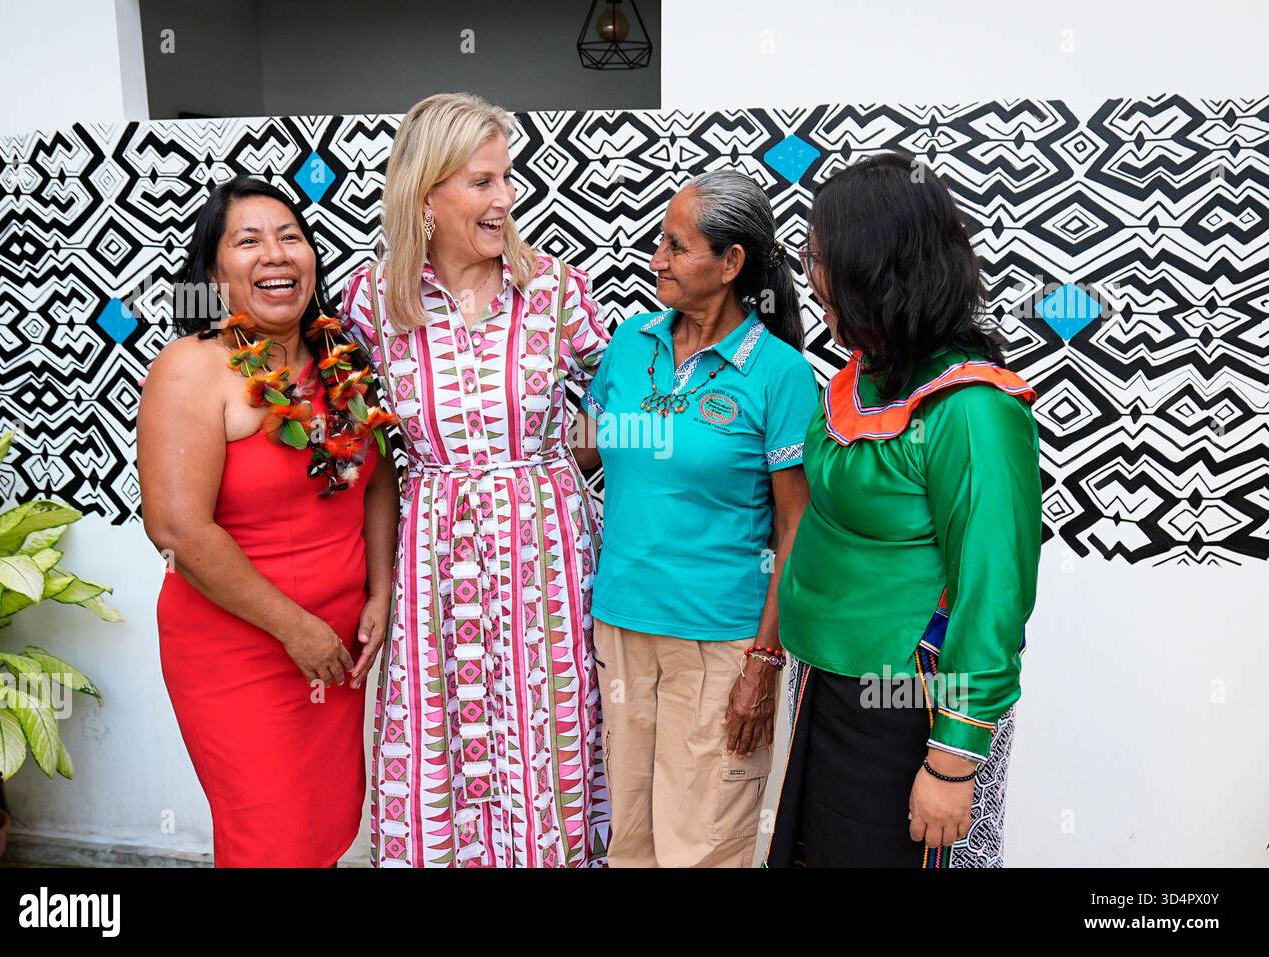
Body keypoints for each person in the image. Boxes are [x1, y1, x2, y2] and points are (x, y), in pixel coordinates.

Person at [338, 92, 611, 867]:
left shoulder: (555, 290)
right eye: (482, 182)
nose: (505, 199)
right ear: (426, 194)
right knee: (443, 742)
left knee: (546, 736)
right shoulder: (372, 300)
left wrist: (548, 469)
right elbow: (362, 450)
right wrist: (377, 583)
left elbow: (622, 411)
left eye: (507, 178)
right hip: (433, 564)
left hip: (546, 565)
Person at [767, 152, 1041, 868]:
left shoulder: (973, 410)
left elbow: (992, 596)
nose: (810, 273)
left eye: (822, 257)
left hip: (905, 706)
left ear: (874, 266)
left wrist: (953, 761)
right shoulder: (866, 378)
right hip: (827, 685)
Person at [139, 176, 400, 867]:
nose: (275, 254)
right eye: (248, 240)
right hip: (242, 650)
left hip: (337, 646)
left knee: (323, 825)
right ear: (213, 269)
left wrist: (380, 591)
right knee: (268, 838)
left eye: (290, 237)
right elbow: (178, 530)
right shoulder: (193, 369)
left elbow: (376, 478)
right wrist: (296, 628)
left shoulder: (340, 360)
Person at [575, 169, 817, 867]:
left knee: (703, 846)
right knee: (631, 841)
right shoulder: (630, 342)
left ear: (732, 263)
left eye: (676, 247)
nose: (656, 260)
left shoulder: (779, 374)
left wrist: (764, 663)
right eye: (660, 242)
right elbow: (582, 449)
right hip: (621, 627)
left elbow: (794, 532)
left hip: (721, 647)